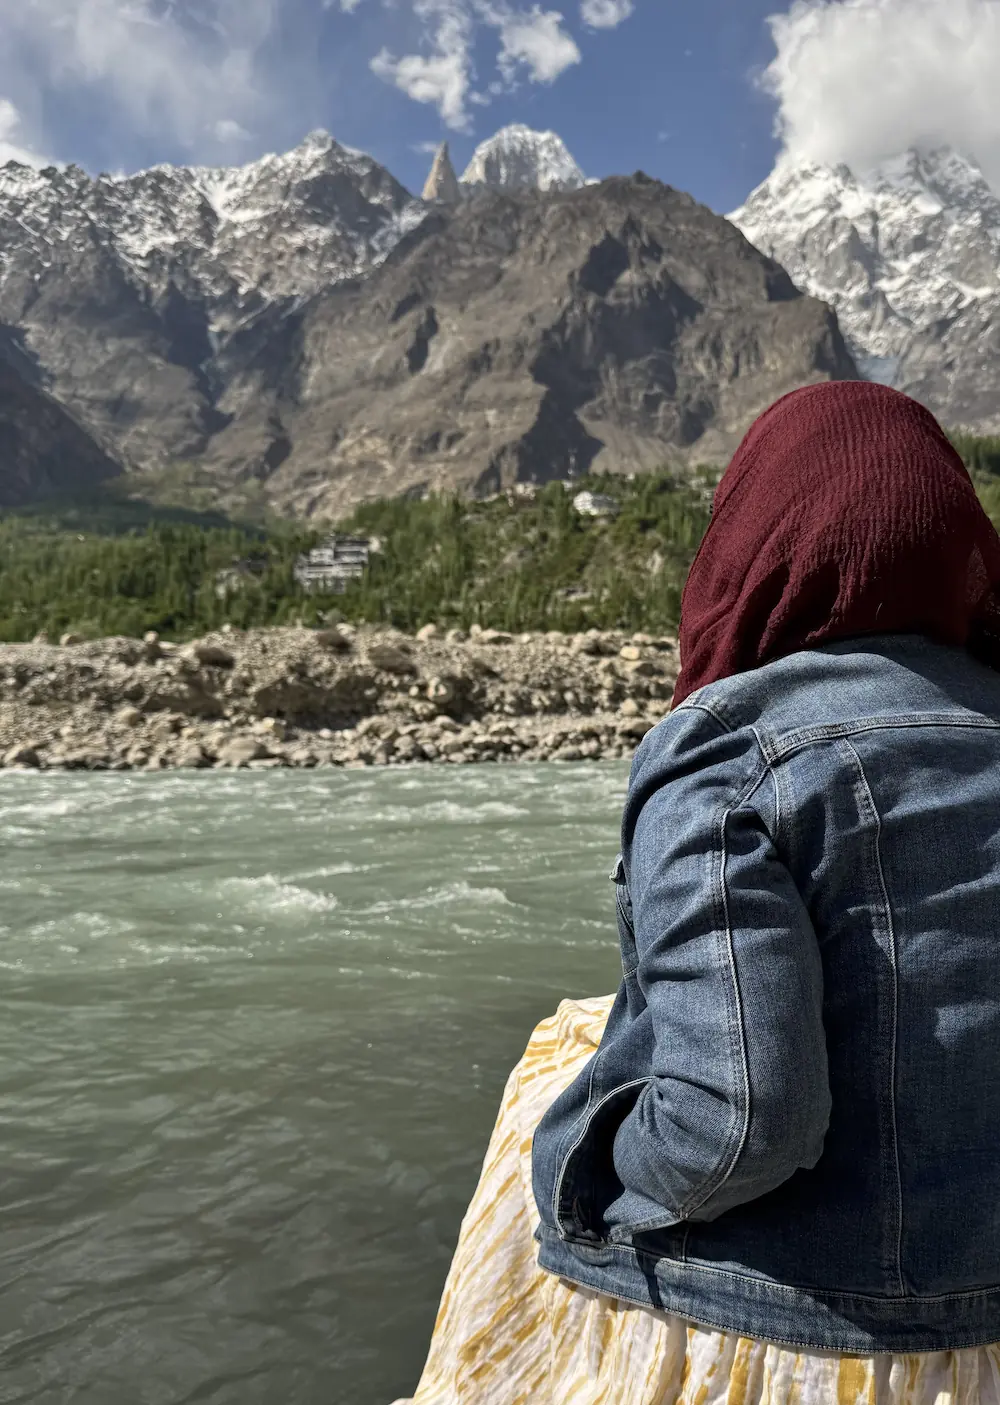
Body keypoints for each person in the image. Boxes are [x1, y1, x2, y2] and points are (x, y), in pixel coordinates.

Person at [394, 381, 1000, 1404]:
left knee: (546, 1102)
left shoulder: (726, 750)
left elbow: (743, 1120)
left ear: (752, 550)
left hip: (799, 1344)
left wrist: (586, 1172)